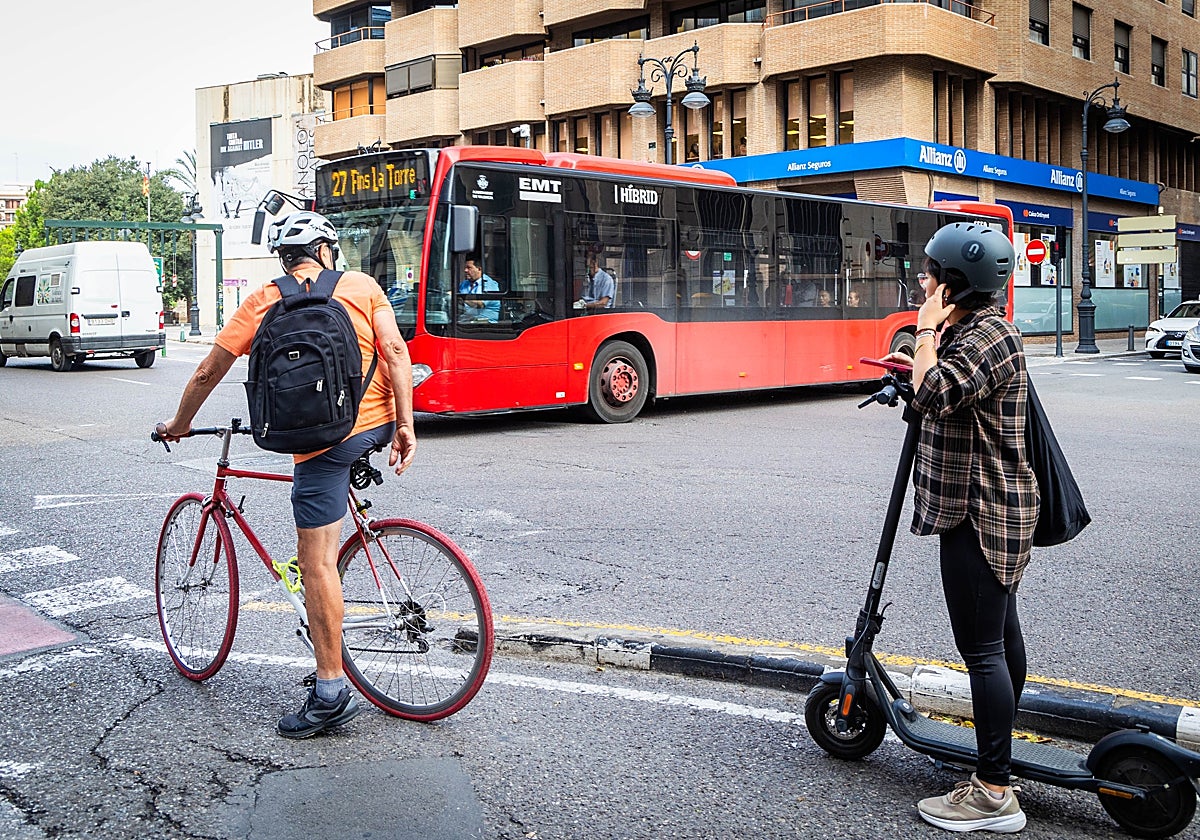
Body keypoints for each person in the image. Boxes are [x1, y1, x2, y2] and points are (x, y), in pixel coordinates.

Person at [155, 211, 417, 739]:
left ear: (285, 258)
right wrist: (407, 425)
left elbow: (208, 371)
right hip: (377, 425)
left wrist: (179, 424)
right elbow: (393, 350)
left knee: (315, 561)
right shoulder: (362, 286)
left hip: (323, 442)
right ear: (325, 251)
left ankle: (330, 691)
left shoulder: (263, 300)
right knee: (330, 515)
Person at [881, 223, 1035, 834]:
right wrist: (922, 356)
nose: (922, 281)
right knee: (1000, 639)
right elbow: (943, 389)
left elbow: (936, 396)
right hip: (987, 509)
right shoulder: (976, 332)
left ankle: (994, 793)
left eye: (929, 274)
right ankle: (999, 759)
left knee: (984, 650)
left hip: (981, 513)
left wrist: (923, 333)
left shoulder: (987, 336)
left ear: (954, 284)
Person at [459, 258, 500, 322]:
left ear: (479, 269)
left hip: (485, 323)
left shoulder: (489, 284)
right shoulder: (464, 284)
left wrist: (458, 296)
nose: (465, 270)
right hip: (466, 321)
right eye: (465, 268)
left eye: (469, 268)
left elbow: (480, 305)